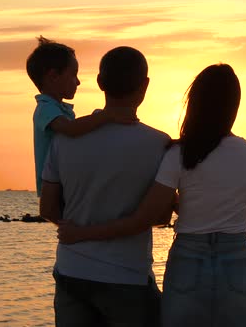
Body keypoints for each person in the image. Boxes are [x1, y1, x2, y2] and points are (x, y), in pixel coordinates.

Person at [58, 63, 246, 327]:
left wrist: (81, 234)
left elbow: (144, 217)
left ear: (195, 104)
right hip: (236, 256)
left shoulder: (179, 153)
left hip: (189, 256)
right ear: (234, 106)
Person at [39, 46, 172, 327]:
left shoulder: (64, 138)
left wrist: (79, 232)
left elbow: (48, 208)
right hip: (126, 277)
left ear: (100, 83)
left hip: (71, 272)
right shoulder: (159, 144)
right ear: (145, 85)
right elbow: (159, 217)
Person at [26, 36, 137, 196]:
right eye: (73, 75)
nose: (78, 82)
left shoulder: (58, 108)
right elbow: (71, 130)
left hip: (63, 181)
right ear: (53, 76)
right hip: (53, 187)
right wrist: (107, 115)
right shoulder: (45, 108)